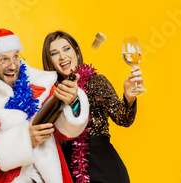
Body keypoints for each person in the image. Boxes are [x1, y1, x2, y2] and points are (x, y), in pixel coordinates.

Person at [0, 27, 90, 183]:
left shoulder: (41, 84)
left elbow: (65, 132)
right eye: (3, 60)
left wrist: (72, 101)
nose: (13, 66)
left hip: (49, 176)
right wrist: (25, 141)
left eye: (15, 57)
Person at [42, 31, 142, 183]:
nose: (62, 56)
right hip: (70, 170)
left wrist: (129, 97)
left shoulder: (96, 82)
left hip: (103, 167)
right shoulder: (51, 95)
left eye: (66, 49)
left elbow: (124, 119)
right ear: (50, 61)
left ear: (76, 50)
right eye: (54, 53)